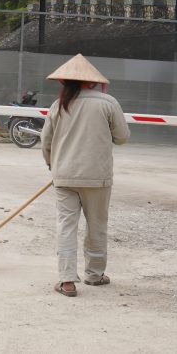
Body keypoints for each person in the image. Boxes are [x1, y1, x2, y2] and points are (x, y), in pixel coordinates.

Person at [41, 53, 129, 298]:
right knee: (97, 225)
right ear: (92, 81)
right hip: (97, 177)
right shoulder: (108, 103)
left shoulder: (58, 106)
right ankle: (95, 274)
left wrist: (52, 165)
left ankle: (67, 280)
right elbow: (122, 137)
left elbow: (46, 142)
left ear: (64, 81)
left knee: (66, 226)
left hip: (64, 176)